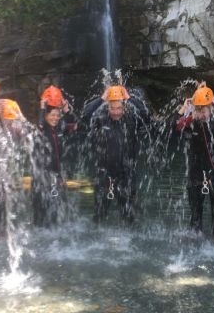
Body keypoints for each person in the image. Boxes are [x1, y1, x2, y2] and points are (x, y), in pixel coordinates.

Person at [83, 85, 149, 224]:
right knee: (99, 215)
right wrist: (102, 98)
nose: (116, 112)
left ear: (124, 107)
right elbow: (86, 114)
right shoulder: (100, 120)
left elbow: (145, 113)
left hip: (126, 175)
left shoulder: (131, 120)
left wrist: (128, 97)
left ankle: (128, 242)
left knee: (128, 216)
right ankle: (98, 241)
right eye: (112, 108)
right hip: (103, 175)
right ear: (108, 107)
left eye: (119, 108)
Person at [175, 82, 214, 235]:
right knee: (195, 218)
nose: (202, 114)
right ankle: (194, 244)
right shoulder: (191, 123)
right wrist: (183, 110)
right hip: (196, 174)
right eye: (198, 109)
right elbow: (174, 129)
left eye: (204, 109)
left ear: (212, 107)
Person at [32, 85, 77, 226]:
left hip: (58, 177)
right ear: (45, 116)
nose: (56, 118)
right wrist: (41, 108)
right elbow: (38, 127)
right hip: (41, 177)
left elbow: (75, 125)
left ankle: (57, 238)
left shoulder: (60, 128)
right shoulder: (40, 129)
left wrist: (66, 111)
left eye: (58, 115)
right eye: (52, 115)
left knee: (60, 214)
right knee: (41, 215)